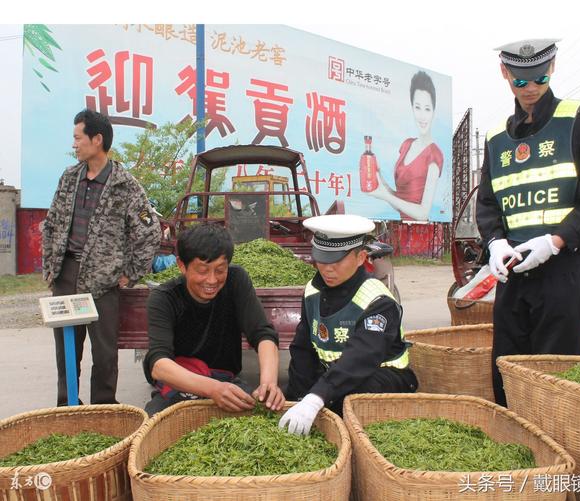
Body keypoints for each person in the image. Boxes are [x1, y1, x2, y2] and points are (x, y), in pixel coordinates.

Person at [475, 39, 580, 406]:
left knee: (556, 375)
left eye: (538, 78)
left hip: (563, 272)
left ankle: (557, 457)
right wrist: (494, 242)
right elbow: (488, 204)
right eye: (520, 82)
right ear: (505, 74)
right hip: (513, 272)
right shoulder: (496, 140)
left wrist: (555, 241)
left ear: (551, 68)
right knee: (507, 369)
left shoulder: (579, 120)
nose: (531, 88)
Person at [42, 108, 160, 406]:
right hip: (66, 275)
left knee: (105, 353)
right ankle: (67, 406)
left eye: (77, 137)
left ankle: (104, 408)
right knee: (66, 350)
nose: (74, 144)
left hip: (104, 282)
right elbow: (52, 223)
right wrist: (50, 267)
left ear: (97, 140)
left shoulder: (126, 185)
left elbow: (149, 231)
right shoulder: (69, 178)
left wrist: (131, 272)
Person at [279, 214, 417, 435]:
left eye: (336, 261)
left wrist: (316, 398)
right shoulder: (312, 290)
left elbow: (360, 358)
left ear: (361, 257)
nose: (327, 269)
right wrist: (296, 400)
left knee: (345, 398)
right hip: (336, 375)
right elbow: (302, 349)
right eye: (321, 259)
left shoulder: (377, 300)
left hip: (380, 378)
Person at [143, 223, 285, 416]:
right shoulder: (164, 298)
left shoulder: (237, 280)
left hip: (226, 379)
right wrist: (212, 389)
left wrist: (269, 384)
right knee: (155, 422)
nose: (212, 280)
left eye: (220, 270)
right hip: (182, 381)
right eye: (202, 270)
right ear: (181, 265)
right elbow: (159, 365)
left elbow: (262, 333)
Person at [369, 70, 444, 221]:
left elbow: (423, 213)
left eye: (427, 109)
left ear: (434, 111)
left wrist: (385, 195)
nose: (422, 115)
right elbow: (399, 203)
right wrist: (380, 181)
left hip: (422, 235)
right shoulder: (407, 145)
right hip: (399, 230)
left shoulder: (434, 155)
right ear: (412, 108)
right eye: (417, 107)